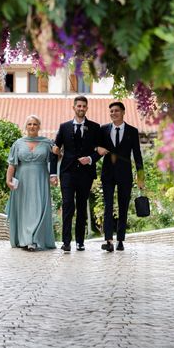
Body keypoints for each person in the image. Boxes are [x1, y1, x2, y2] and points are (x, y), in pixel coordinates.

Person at [50, 96, 101, 252]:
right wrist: (53, 173)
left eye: (84, 106)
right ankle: (66, 242)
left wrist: (91, 159)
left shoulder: (95, 127)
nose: (81, 108)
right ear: (74, 108)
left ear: (87, 108)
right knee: (67, 206)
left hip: (85, 174)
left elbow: (101, 150)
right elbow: (54, 150)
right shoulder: (64, 127)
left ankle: (80, 241)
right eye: (78, 106)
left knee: (81, 207)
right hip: (67, 173)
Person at [97, 101, 144, 252]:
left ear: (123, 112)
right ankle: (109, 240)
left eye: (116, 111)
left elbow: (137, 155)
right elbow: (96, 147)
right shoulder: (103, 129)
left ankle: (121, 240)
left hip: (125, 174)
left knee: (123, 206)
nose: (113, 113)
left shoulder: (132, 131)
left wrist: (140, 175)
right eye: (111, 111)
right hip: (108, 173)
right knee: (108, 206)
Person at [5, 115, 57, 251]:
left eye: (35, 124)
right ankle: (26, 240)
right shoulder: (18, 144)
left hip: (41, 179)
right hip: (22, 180)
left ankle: (35, 239)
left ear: (39, 127)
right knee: (25, 210)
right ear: (26, 127)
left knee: (39, 208)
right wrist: (8, 180)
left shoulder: (47, 143)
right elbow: (12, 164)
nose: (32, 127)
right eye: (29, 124)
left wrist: (54, 176)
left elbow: (55, 159)